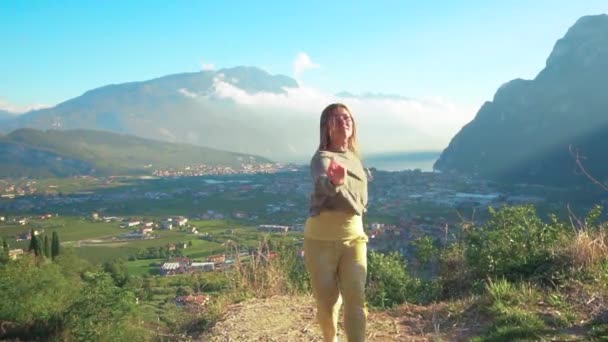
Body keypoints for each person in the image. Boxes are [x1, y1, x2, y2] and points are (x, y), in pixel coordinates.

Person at [304, 103, 369, 342]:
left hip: (354, 238)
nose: (345, 122)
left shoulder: (354, 158)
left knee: (356, 299)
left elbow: (358, 198)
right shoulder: (321, 158)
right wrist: (332, 183)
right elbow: (321, 181)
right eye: (337, 118)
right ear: (326, 128)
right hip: (321, 240)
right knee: (327, 303)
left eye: (347, 117)